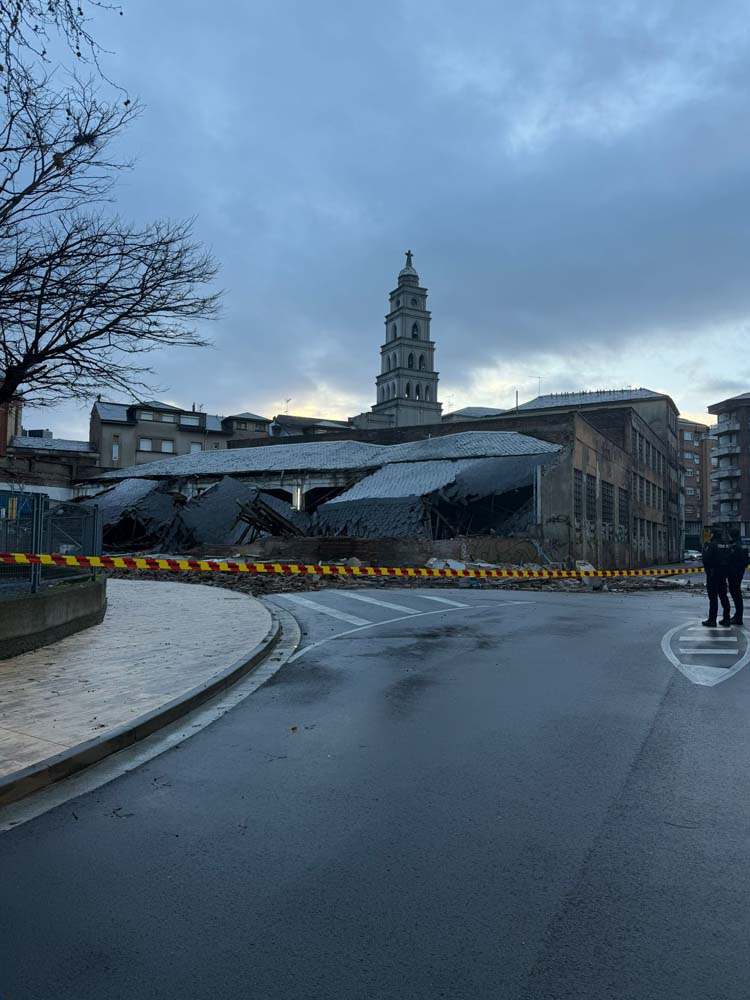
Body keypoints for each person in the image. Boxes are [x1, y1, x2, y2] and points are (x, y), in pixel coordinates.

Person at [702, 528, 731, 627]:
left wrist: (705, 548)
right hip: (724, 574)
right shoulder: (726, 545)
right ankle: (727, 618)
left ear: (713, 535)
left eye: (711, 534)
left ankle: (712, 620)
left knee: (713, 597)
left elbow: (706, 559)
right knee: (724, 596)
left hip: (713, 574)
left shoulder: (711, 545)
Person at [727, 529, 749, 626]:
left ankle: (738, 617)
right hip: (740, 572)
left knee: (736, 594)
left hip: (734, 573)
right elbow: (747, 560)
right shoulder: (742, 545)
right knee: (737, 594)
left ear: (731, 535)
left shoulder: (735, 546)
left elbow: (730, 559)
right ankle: (737, 615)